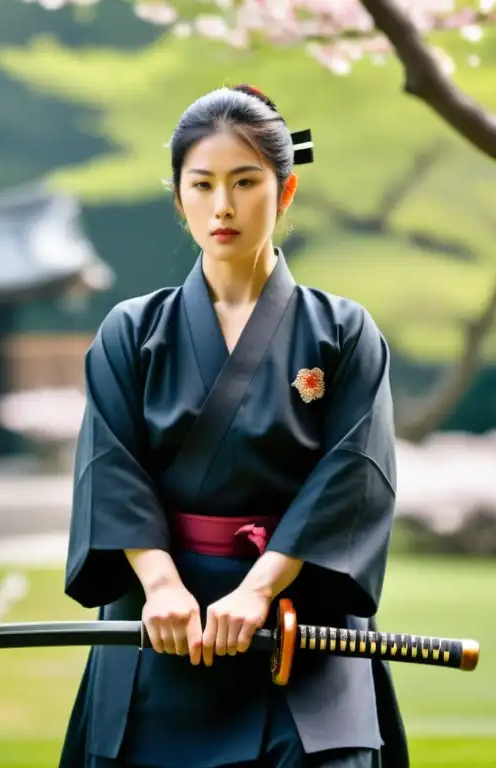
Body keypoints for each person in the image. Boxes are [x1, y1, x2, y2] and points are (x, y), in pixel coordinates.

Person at [58, 84, 408, 768]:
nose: (223, 206)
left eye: (246, 182)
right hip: (160, 622)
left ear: (285, 191)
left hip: (297, 620)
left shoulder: (342, 331)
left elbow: (352, 474)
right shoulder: (132, 332)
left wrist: (256, 590)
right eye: (203, 184)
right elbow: (112, 469)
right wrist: (161, 588)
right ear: (178, 196)